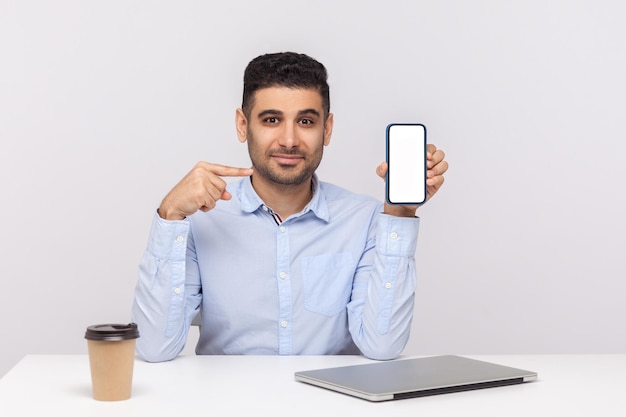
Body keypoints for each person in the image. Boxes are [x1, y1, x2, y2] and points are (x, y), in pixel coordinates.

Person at [131, 52, 448, 362]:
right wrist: (170, 215)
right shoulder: (202, 217)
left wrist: (401, 213)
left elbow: (383, 347)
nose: (289, 139)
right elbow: (154, 347)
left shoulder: (365, 220)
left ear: (327, 129)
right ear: (243, 125)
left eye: (306, 121)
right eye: (271, 120)